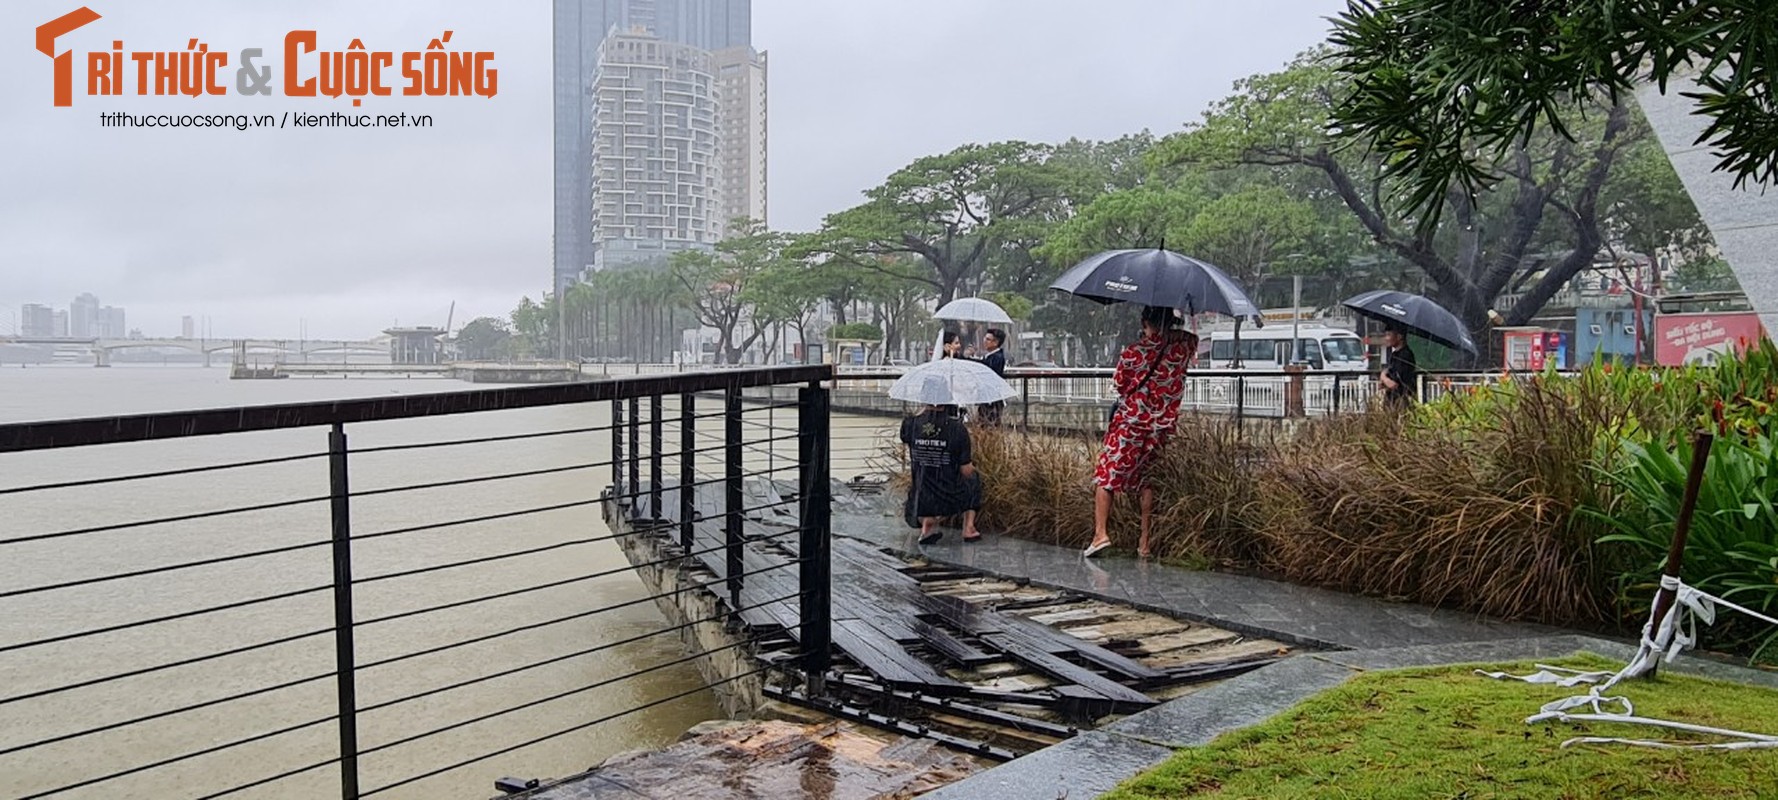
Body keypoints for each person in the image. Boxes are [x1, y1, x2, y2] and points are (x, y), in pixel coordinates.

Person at [1084, 306, 1197, 560]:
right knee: (1149, 480)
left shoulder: (1134, 352)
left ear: (1146, 322)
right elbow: (1190, 338)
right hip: (1162, 426)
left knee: (1107, 476)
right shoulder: (1183, 347)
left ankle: (1101, 534)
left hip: (1130, 425)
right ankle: (1144, 542)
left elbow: (1121, 384)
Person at [899, 388, 982, 544]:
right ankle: (969, 528)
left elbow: (907, 435)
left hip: (919, 501)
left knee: (925, 480)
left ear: (923, 398)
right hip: (947, 499)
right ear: (947, 400)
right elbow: (966, 470)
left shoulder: (910, 424)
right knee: (974, 477)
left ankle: (926, 522)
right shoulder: (957, 428)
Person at [972, 328, 1008, 425]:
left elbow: (986, 369)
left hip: (992, 399)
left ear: (995, 342)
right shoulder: (990, 356)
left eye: (988, 339)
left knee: (989, 425)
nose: (984, 341)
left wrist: (971, 360)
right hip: (987, 397)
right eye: (985, 338)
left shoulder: (997, 357)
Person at [1377, 327, 1419, 408]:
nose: (1386, 338)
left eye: (1389, 335)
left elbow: (1394, 384)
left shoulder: (1405, 355)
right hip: (1392, 399)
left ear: (1399, 336)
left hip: (1401, 399)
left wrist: (1383, 377)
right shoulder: (1394, 355)